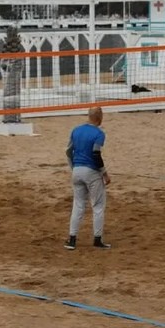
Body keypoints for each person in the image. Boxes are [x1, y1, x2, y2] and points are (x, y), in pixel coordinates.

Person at [64, 106, 111, 250]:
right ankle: (97, 239)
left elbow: (68, 151)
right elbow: (96, 154)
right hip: (91, 172)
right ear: (99, 117)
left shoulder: (76, 130)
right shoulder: (99, 134)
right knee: (98, 206)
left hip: (77, 170)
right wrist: (104, 173)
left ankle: (72, 239)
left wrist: (74, 167)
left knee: (78, 205)